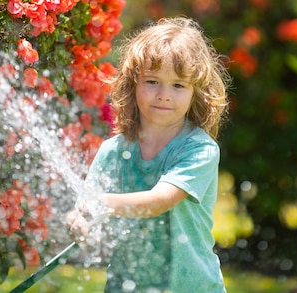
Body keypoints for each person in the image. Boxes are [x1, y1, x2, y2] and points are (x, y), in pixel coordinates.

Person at [66, 16, 230, 293]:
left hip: (191, 287)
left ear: (195, 93)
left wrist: (101, 202)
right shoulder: (113, 152)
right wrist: (78, 219)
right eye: (152, 81)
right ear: (133, 84)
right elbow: (85, 205)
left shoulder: (199, 149)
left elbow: (160, 200)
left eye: (178, 85)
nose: (164, 95)